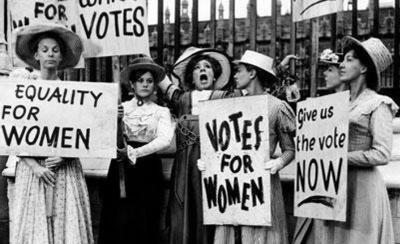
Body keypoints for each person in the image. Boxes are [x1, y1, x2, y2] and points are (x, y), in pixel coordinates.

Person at [297, 36, 398, 244]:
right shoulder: (338, 103)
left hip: (361, 189)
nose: (342, 65)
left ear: (363, 68)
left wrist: (339, 157)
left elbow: (382, 153)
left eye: (350, 60)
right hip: (332, 185)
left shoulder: (379, 103)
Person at [10, 23, 93, 244]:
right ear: (36, 54)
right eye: (45, 49)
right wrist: (34, 166)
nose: (50, 54)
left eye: (55, 50)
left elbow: (84, 133)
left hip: (64, 171)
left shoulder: (73, 93)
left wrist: (66, 155)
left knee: (65, 226)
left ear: (61, 57)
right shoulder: (24, 90)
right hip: (33, 172)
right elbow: (12, 132)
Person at [160, 47, 236, 244]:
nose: (202, 70)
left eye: (208, 67)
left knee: (209, 205)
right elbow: (161, 81)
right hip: (185, 166)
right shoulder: (183, 98)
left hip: (214, 165)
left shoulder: (225, 97)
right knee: (183, 205)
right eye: (197, 67)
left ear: (215, 75)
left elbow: (256, 88)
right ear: (192, 76)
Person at [99, 56, 175, 244]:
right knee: (118, 218)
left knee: (144, 218)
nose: (145, 85)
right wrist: (114, 121)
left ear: (155, 85)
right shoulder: (120, 108)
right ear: (132, 84)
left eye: (149, 81)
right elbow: (102, 135)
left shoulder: (160, 111)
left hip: (147, 168)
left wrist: (134, 153)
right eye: (140, 80)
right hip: (120, 167)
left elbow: (164, 140)